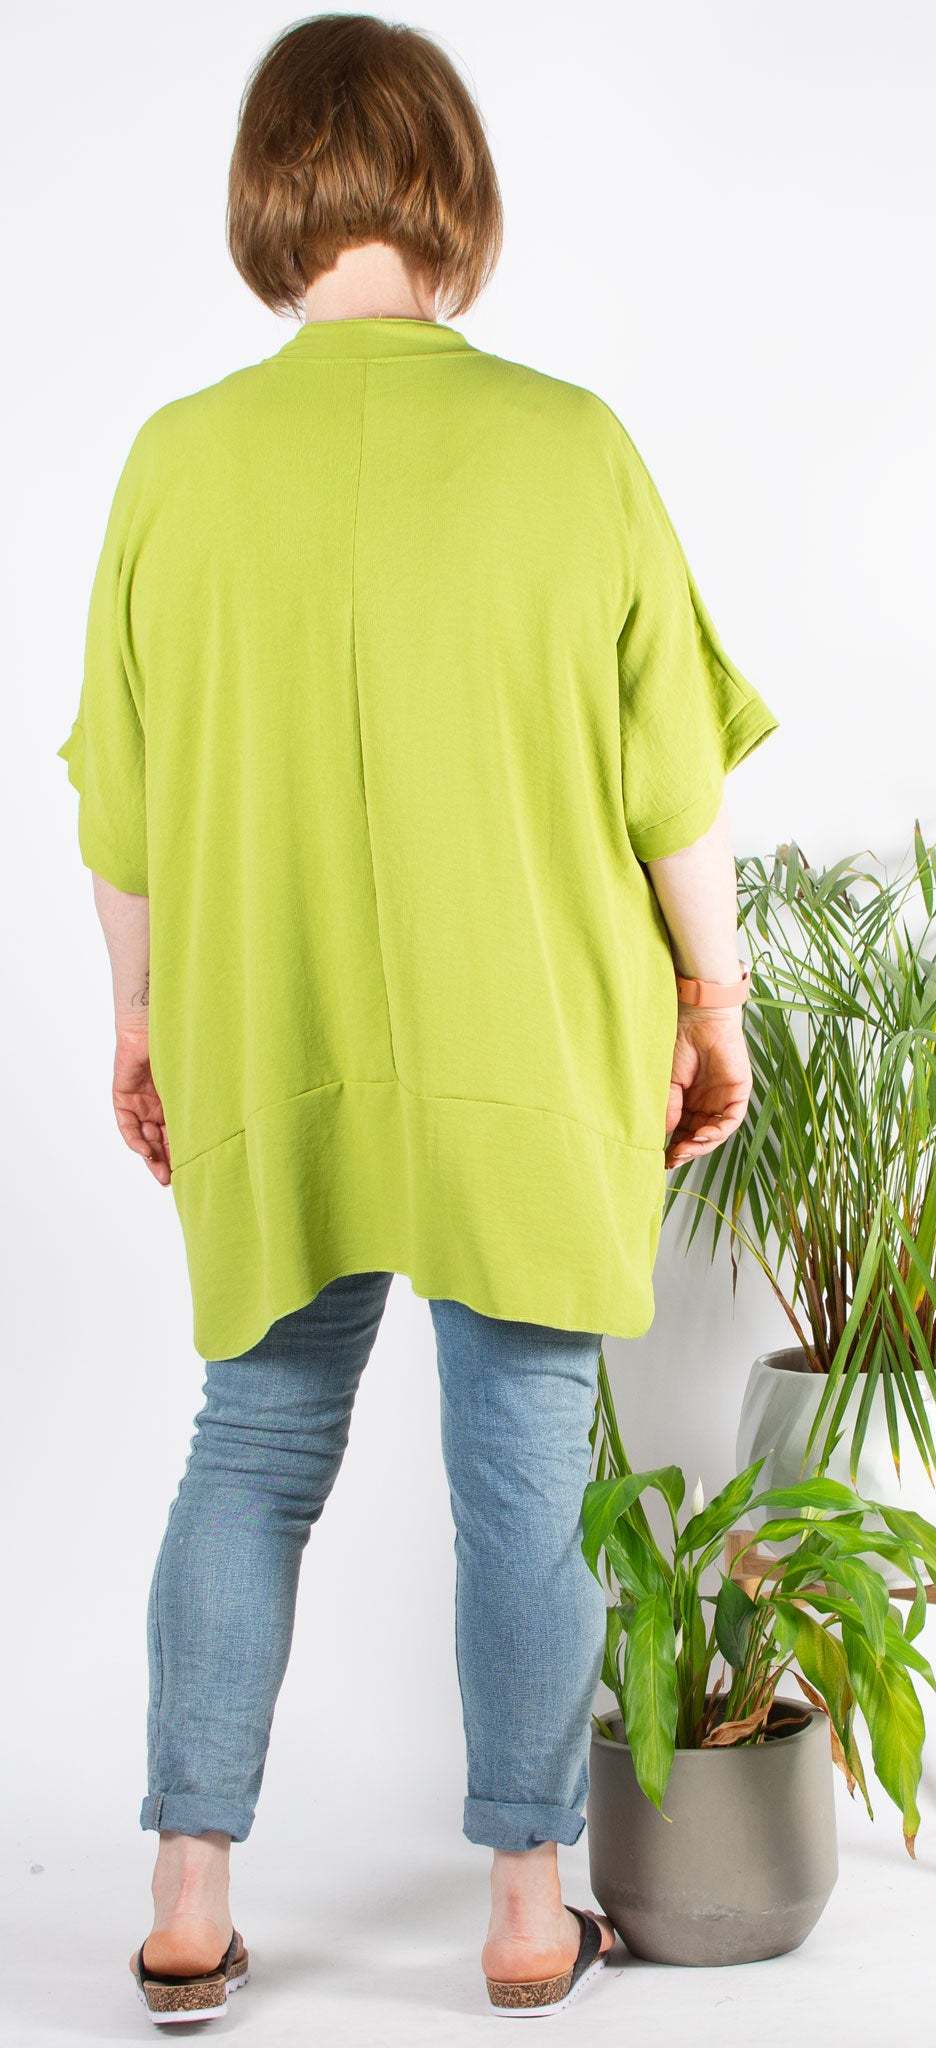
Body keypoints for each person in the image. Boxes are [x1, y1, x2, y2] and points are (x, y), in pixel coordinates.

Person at [58, 12, 777, 2025]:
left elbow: (121, 805)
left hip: (266, 1031)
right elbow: (674, 792)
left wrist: (139, 1020)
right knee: (524, 1469)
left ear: (267, 197)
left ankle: (187, 1897)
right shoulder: (570, 445)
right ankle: (529, 1912)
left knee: (252, 1442)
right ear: (453, 186)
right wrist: (710, 997)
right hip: (525, 1044)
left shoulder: (178, 463)